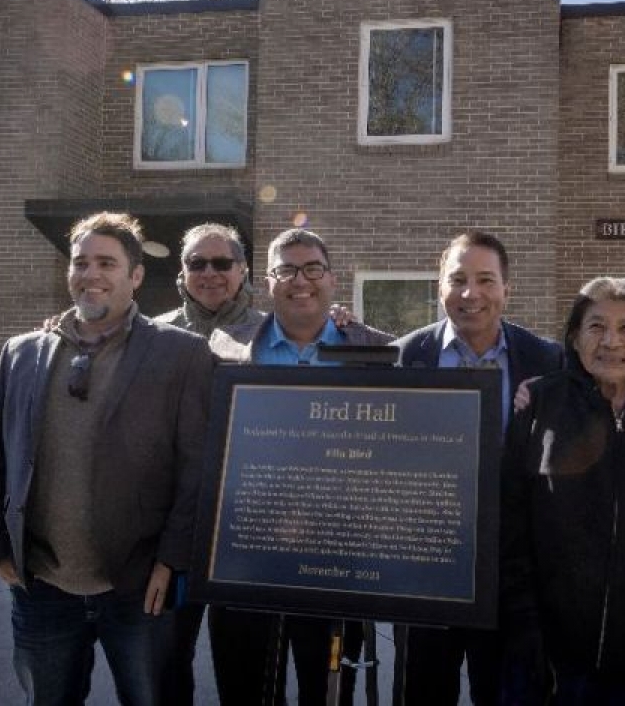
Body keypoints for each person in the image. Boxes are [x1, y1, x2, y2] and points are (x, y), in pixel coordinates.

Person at [0, 212, 214, 705]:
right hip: (42, 589)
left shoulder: (182, 354)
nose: (91, 273)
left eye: (107, 262)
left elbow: (197, 469)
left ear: (135, 275)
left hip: (139, 588)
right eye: (81, 262)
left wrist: (171, 560)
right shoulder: (22, 353)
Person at [209, 227, 395, 706]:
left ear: (332, 278)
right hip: (245, 558)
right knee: (244, 689)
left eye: (313, 268)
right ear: (267, 282)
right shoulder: (222, 349)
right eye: (286, 270)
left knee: (329, 691)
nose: (301, 281)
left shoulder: (377, 352)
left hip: (338, 562)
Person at [499, 277, 625, 705]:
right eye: (596, 326)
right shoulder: (538, 403)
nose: (611, 341)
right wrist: (524, 625)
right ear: (573, 338)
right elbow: (511, 522)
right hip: (556, 657)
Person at [391, 230, 565, 706]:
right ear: (439, 286)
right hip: (429, 569)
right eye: (458, 279)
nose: (472, 293)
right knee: (425, 691)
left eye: (486, 279)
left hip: (513, 571)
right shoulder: (408, 357)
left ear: (507, 288)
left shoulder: (547, 359)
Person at [154, 222, 264, 706]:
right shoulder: (153, 335)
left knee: (245, 672)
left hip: (244, 533)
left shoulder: (272, 332)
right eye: (197, 262)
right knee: (163, 665)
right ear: (182, 271)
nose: (209, 273)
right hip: (170, 536)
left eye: (222, 263)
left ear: (242, 270)